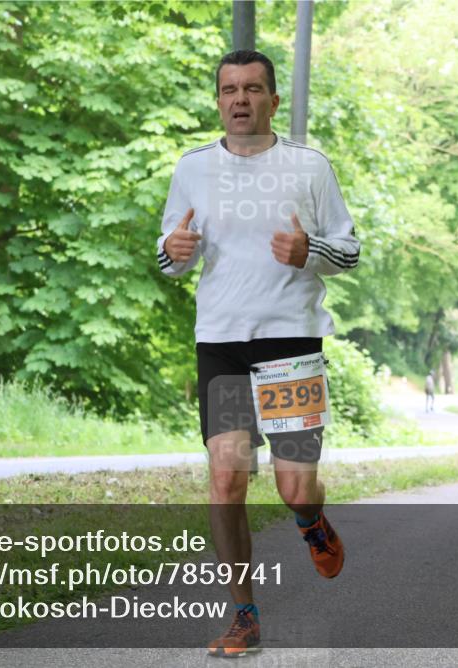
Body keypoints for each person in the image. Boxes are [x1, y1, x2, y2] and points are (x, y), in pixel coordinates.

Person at [157, 50, 359, 658]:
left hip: (290, 340)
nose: (239, 99)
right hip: (220, 342)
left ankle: (311, 523)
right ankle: (243, 615)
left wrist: (310, 250)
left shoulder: (309, 166)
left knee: (296, 489)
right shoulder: (192, 168)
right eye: (228, 90)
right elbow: (167, 260)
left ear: (273, 99)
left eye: (252, 88)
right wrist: (174, 248)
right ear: (217, 100)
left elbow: (350, 252)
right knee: (226, 479)